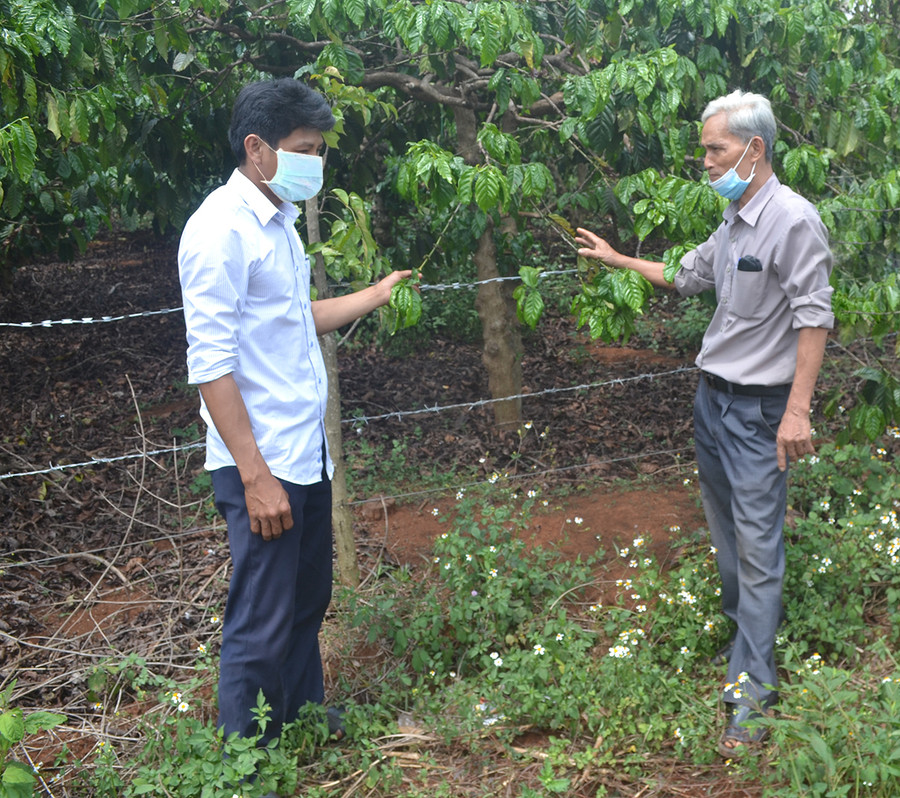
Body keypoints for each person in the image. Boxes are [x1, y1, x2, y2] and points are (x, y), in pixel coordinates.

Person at [575, 90, 834, 757]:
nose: (706, 161)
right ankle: (745, 644)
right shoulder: (735, 217)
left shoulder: (793, 220)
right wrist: (617, 259)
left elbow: (814, 316)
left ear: (755, 148)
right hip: (712, 403)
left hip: (758, 412)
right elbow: (688, 276)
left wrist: (798, 410)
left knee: (757, 549)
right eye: (705, 150)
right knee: (727, 541)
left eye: (715, 149)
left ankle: (752, 696)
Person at [177, 78, 411, 766]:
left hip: (304, 454)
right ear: (257, 148)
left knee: (307, 600)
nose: (316, 162)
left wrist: (375, 295)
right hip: (263, 463)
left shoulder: (276, 222)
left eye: (319, 151)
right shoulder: (218, 230)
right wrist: (255, 477)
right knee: (261, 616)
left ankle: (302, 718)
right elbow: (211, 364)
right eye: (304, 149)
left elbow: (292, 318)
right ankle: (247, 758)